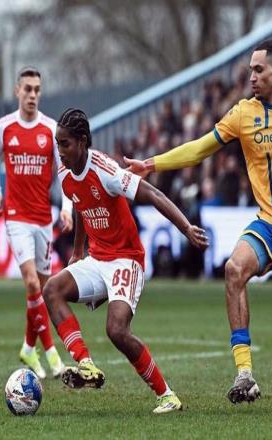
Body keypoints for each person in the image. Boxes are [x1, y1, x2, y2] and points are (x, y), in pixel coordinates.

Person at [124, 40, 272, 407]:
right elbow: (200, 148)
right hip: (267, 222)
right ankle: (244, 374)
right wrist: (151, 164)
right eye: (250, 70)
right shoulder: (243, 114)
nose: (251, 77)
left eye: (258, 70)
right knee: (233, 269)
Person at [42, 108, 208, 414]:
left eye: (65, 144)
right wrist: (77, 251)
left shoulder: (106, 171)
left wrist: (186, 228)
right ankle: (86, 364)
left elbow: (154, 194)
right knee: (52, 289)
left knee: (117, 330)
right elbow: (80, 203)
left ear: (82, 141)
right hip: (97, 259)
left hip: (126, 261)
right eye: (57, 144)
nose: (59, 151)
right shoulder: (65, 172)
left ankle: (167, 395)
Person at [0, 67, 72, 379]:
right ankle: (52, 355)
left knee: (42, 292)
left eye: (37, 89)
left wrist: (66, 208)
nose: (32, 94)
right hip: (16, 217)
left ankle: (27, 346)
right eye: (28, 89)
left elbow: (64, 172)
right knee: (33, 284)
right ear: (17, 91)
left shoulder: (50, 129)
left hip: (43, 219)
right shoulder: (4, 127)